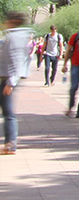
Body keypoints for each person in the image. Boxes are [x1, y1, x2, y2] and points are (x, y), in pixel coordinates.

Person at [1, 11, 31, 155]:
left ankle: (10, 144)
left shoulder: (15, 37)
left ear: (12, 21)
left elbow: (17, 60)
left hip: (7, 79)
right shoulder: (14, 35)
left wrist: (11, 83)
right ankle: (10, 144)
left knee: (8, 113)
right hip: (6, 78)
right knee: (8, 112)